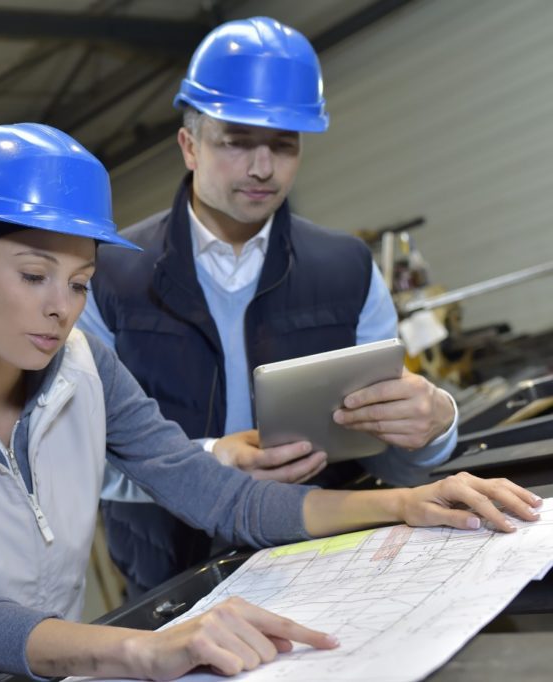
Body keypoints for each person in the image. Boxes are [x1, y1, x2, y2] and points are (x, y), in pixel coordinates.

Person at [0, 123, 537, 681]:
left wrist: (403, 503)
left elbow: (217, 495)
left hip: (62, 664)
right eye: (35, 274)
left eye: (79, 283)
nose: (61, 310)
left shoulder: (83, 362)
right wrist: (141, 650)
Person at [77, 16, 460, 597]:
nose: (263, 168)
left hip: (325, 563)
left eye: (283, 146)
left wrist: (434, 427)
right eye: (236, 142)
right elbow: (80, 456)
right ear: (189, 145)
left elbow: (392, 455)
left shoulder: (348, 269)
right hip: (170, 581)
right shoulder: (107, 274)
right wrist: (208, 461)